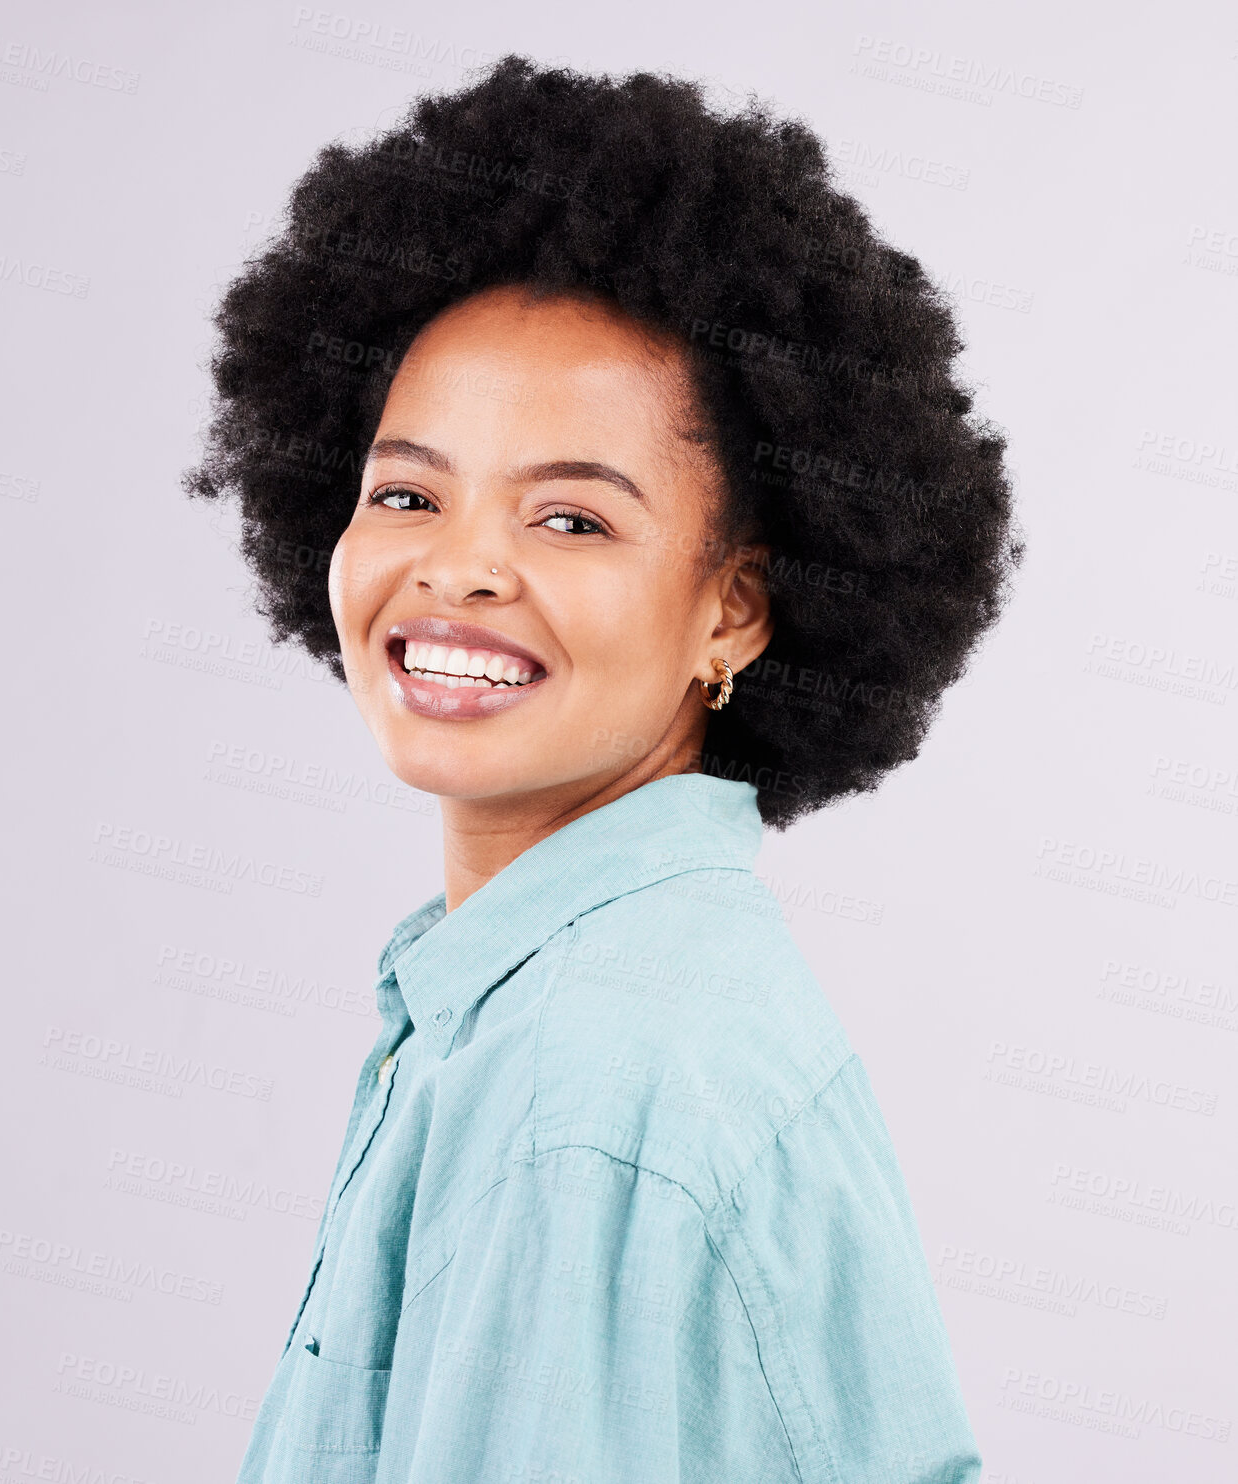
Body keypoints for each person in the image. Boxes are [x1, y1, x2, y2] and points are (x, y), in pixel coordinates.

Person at [184, 53, 1020, 1484]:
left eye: (570, 520)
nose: (459, 565)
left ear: (733, 611)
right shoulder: (568, 1006)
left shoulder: (589, 1095)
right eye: (407, 491)